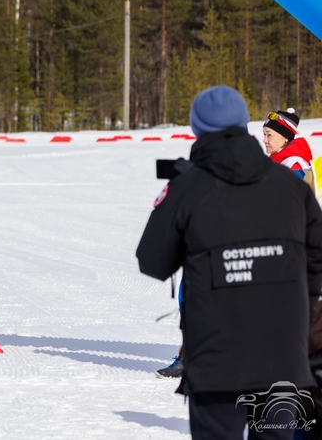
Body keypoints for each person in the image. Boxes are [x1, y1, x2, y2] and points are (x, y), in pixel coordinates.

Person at [137, 86, 322, 440]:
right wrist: (300, 313)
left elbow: (152, 262)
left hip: (215, 354)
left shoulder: (188, 185)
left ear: (196, 129)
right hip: (281, 353)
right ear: (244, 125)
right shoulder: (287, 183)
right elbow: (316, 260)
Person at [264, 109, 315, 191]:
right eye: (264, 134)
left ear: (285, 138)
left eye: (269, 135)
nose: (264, 140)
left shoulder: (294, 166)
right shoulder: (277, 162)